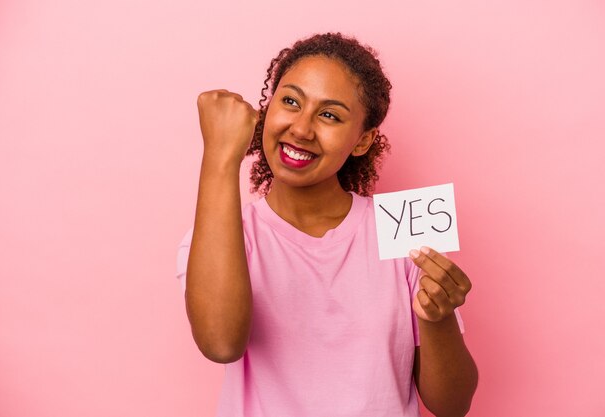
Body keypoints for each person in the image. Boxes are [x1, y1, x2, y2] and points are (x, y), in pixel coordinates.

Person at [177, 32, 478, 417]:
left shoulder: (402, 228)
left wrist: (438, 319)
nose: (301, 129)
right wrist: (220, 155)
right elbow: (220, 343)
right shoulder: (223, 239)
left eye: (329, 115)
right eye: (290, 102)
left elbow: (452, 406)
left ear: (363, 141)